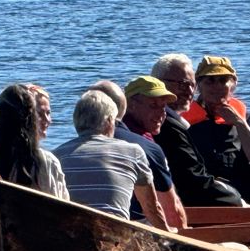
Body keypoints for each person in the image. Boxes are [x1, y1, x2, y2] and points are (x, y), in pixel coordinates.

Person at [53, 90, 173, 231]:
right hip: (114, 237)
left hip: (73, 236)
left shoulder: (56, 156)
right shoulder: (133, 152)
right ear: (110, 121)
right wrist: (170, 236)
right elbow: (151, 209)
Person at [89, 78, 187, 229]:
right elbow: (172, 214)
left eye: (164, 106)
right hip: (131, 232)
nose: (162, 113)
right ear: (130, 105)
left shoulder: (74, 146)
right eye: (154, 105)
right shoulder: (146, 148)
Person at [151, 53, 243, 207]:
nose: (188, 90)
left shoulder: (169, 121)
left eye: (191, 84)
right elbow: (194, 183)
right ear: (159, 84)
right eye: (181, 84)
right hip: (181, 205)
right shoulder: (166, 126)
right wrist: (238, 200)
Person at [181, 56, 250, 203]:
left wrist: (239, 123)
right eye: (210, 81)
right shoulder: (182, 120)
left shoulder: (248, 119)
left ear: (233, 84)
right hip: (197, 195)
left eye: (223, 80)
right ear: (198, 85)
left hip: (242, 194)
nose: (216, 87)